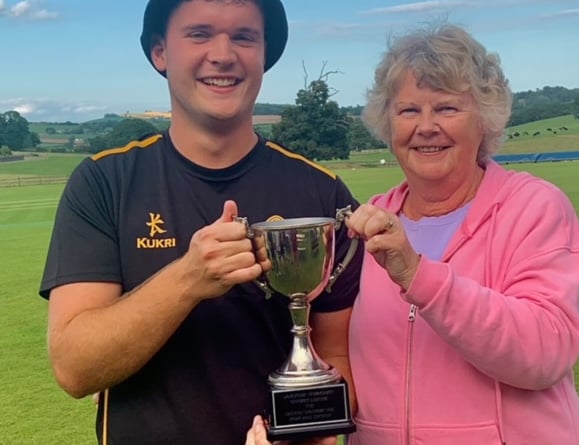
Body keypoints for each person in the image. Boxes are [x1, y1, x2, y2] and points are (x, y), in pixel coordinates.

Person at [39, 1, 362, 444]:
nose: (223, 54)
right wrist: (190, 278)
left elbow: (337, 357)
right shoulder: (103, 183)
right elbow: (74, 368)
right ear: (160, 52)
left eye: (244, 37)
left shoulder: (322, 194)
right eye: (199, 34)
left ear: (264, 53)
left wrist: (309, 437)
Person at [342, 24, 579, 445]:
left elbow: (545, 351)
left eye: (446, 109)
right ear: (387, 123)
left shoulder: (534, 207)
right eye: (408, 111)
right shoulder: (370, 219)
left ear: (486, 118)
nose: (425, 127)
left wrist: (419, 278)